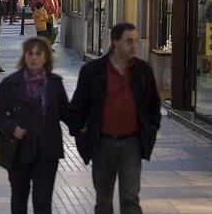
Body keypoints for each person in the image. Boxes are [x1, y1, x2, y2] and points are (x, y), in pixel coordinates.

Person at [69, 23, 161, 214]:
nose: (134, 46)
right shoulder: (93, 71)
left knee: (130, 198)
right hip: (102, 144)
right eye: (129, 41)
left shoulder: (142, 71)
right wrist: (80, 131)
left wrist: (151, 129)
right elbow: (77, 107)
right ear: (115, 42)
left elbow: (153, 105)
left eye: (136, 41)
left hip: (132, 144)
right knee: (103, 200)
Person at [0, 36, 70, 214]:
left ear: (45, 57)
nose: (34, 57)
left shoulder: (55, 84)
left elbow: (67, 113)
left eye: (38, 53)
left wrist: (85, 127)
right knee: (19, 198)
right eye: (30, 53)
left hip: (47, 150)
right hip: (19, 150)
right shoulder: (11, 83)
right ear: (24, 56)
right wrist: (12, 127)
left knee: (43, 200)